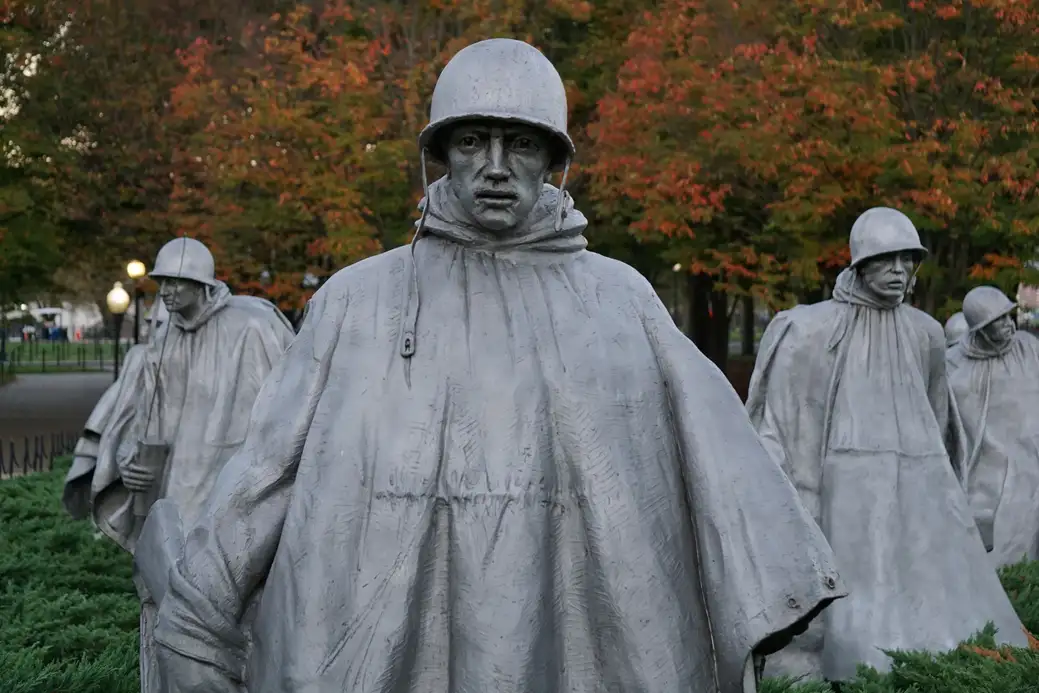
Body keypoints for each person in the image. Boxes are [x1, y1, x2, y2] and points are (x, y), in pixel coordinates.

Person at [150, 38, 844, 693]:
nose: (494, 165)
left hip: (567, 620)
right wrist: (200, 605)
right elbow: (268, 467)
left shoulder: (616, 299)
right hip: (382, 621)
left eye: (520, 144)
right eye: (471, 141)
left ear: (551, 159)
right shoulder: (358, 300)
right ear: (442, 154)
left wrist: (784, 608)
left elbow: (719, 457)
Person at [746, 208, 1028, 682]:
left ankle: (917, 665)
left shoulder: (926, 334)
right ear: (860, 264)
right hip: (845, 480)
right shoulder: (811, 329)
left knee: (919, 596)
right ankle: (852, 669)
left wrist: (946, 495)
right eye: (886, 259)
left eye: (907, 260)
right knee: (853, 599)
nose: (899, 271)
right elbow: (781, 420)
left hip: (916, 479)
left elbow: (940, 421)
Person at [87, 237, 295, 693]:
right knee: (166, 613)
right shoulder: (162, 341)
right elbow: (145, 422)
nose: (167, 292)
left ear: (202, 285)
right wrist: (128, 465)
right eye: (163, 282)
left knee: (236, 616)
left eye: (178, 283)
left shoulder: (253, 324)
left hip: (236, 499)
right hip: (174, 499)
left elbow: (291, 408)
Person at [947, 286, 1039, 567]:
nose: (1008, 325)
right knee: (1007, 555)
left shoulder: (1030, 348)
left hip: (1033, 462)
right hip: (996, 483)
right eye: (997, 321)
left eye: (1008, 316)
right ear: (980, 329)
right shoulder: (954, 369)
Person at [63, 301, 168, 520]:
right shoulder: (139, 355)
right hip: (135, 446)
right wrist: (96, 441)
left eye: (157, 324)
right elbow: (117, 402)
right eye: (149, 323)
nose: (149, 329)